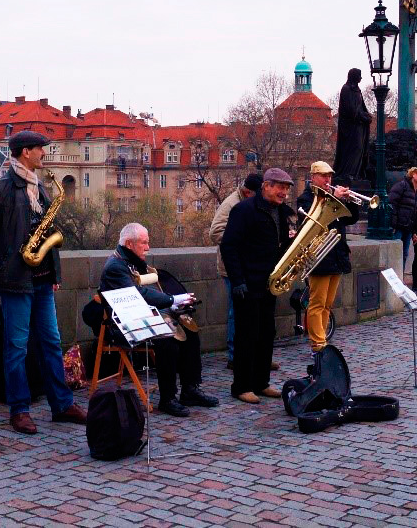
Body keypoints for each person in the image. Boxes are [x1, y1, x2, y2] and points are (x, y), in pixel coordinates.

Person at [0, 130, 86, 434]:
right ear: (25, 152)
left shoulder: (40, 188)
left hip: (43, 281)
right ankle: (19, 409)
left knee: (52, 343)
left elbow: (47, 232)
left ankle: (62, 404)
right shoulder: (2, 188)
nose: (45, 153)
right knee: (16, 347)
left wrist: (55, 274)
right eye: (41, 149)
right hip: (16, 279)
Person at [98, 223, 220, 416]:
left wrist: (174, 305)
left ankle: (190, 389)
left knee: (189, 328)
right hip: (123, 324)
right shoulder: (115, 266)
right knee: (168, 340)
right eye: (144, 243)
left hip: (142, 313)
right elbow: (137, 294)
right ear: (129, 243)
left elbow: (150, 290)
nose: (148, 247)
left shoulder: (131, 260)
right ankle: (168, 398)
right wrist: (172, 301)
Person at [220, 168, 295, 404]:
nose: (283, 192)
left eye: (286, 188)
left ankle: (261, 382)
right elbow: (229, 246)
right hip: (248, 282)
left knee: (265, 333)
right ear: (266, 186)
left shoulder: (281, 211)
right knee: (247, 335)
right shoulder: (243, 210)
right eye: (279, 187)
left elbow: (280, 245)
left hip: (269, 282)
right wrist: (238, 281)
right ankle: (241, 386)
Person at [301, 161, 360, 360]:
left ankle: (323, 338)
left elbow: (349, 219)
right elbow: (310, 221)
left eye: (330, 176)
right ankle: (317, 343)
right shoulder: (307, 198)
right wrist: (333, 198)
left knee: (327, 303)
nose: (328, 180)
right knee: (316, 303)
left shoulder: (331, 196)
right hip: (318, 256)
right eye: (323, 176)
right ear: (313, 177)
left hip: (336, 254)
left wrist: (349, 201)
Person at [209, 172, 263, 367]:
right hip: (232, 267)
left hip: (247, 265)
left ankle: (251, 353)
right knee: (236, 311)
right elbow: (215, 233)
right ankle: (234, 356)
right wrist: (244, 240)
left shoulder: (249, 202)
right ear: (248, 192)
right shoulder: (231, 204)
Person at [333, 68, 371, 182]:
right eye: (359, 75)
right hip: (350, 127)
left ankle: (356, 173)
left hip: (359, 125)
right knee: (354, 147)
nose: (361, 78)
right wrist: (362, 116)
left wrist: (366, 115)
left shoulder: (357, 90)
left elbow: (361, 106)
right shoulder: (346, 89)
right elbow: (350, 109)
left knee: (361, 148)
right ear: (354, 76)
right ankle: (347, 173)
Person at [388, 167, 417, 268]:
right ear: (413, 175)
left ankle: (400, 280)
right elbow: (392, 204)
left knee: (404, 255)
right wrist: (394, 224)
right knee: (395, 255)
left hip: (408, 229)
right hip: (398, 227)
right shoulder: (402, 185)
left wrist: (415, 232)